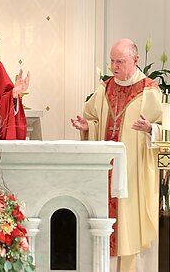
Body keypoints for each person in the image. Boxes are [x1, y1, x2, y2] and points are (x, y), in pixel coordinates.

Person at [71, 38, 161, 272]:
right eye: (112, 61)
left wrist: (151, 129)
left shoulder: (149, 90)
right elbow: (93, 118)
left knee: (129, 226)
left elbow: (164, 128)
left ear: (135, 60)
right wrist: (86, 126)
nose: (114, 66)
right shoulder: (106, 88)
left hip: (134, 172)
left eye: (120, 61)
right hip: (106, 172)